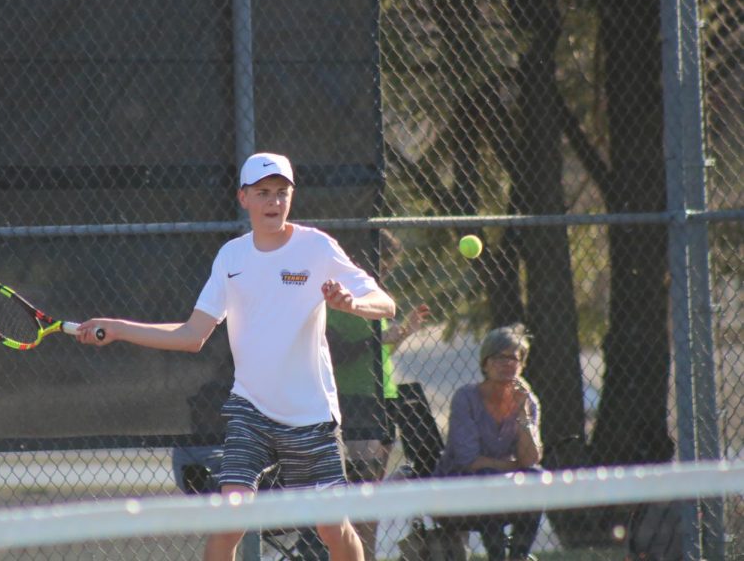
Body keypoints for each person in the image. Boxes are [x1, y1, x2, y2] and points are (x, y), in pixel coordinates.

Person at [76, 152, 396, 561]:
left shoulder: (316, 247)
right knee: (229, 520)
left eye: (282, 193)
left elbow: (385, 303)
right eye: (263, 193)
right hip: (252, 411)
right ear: (243, 198)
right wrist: (119, 328)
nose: (274, 202)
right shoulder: (231, 258)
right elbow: (193, 335)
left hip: (311, 415)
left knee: (332, 527)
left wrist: (353, 304)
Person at [328, 229, 430, 561]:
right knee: (357, 495)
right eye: (382, 263)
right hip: (353, 401)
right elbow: (337, 352)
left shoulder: (375, 296)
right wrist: (380, 340)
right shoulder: (336, 300)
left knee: (369, 498)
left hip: (384, 400)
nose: (385, 271)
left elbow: (381, 350)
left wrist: (401, 334)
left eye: (389, 265)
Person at [434, 323, 543, 561]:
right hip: (462, 482)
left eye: (513, 358)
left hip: (502, 482)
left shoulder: (528, 401)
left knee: (537, 477)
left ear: (522, 364)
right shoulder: (466, 398)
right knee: (488, 477)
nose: (506, 364)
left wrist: (523, 413)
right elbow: (468, 459)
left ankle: (518, 556)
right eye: (499, 357)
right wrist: (514, 468)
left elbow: (531, 460)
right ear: (485, 362)